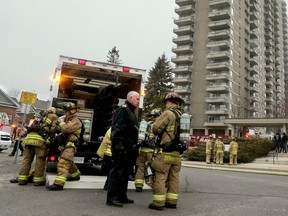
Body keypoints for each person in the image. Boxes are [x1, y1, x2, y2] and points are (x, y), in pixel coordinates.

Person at [148, 92, 184, 211]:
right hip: (177, 153)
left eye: (166, 102)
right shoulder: (182, 115)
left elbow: (156, 128)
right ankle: (172, 201)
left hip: (166, 151)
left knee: (160, 175)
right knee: (174, 177)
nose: (166, 104)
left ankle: (158, 203)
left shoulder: (168, 113)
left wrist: (154, 123)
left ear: (171, 102)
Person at [106, 91, 139, 207]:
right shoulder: (123, 110)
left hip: (129, 147)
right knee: (117, 172)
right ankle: (112, 197)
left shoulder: (132, 112)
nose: (138, 101)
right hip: (121, 146)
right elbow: (117, 128)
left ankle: (121, 195)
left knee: (125, 173)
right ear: (130, 98)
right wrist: (119, 145)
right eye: (137, 99)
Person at [18, 107, 58, 186]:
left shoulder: (40, 115)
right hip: (40, 141)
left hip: (28, 139)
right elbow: (53, 129)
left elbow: (31, 126)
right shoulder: (54, 116)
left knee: (26, 160)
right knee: (40, 161)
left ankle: (22, 180)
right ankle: (37, 181)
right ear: (54, 111)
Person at [46, 102, 82, 191]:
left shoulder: (76, 121)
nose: (66, 113)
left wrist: (61, 123)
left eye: (67, 111)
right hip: (66, 144)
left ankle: (58, 184)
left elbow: (66, 129)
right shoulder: (67, 119)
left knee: (63, 162)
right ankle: (76, 175)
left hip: (71, 145)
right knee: (68, 161)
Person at [134, 108, 162, 192]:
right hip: (151, 151)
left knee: (140, 168)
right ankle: (153, 185)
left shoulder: (146, 124)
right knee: (154, 169)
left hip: (142, 150)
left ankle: (138, 185)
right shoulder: (157, 126)